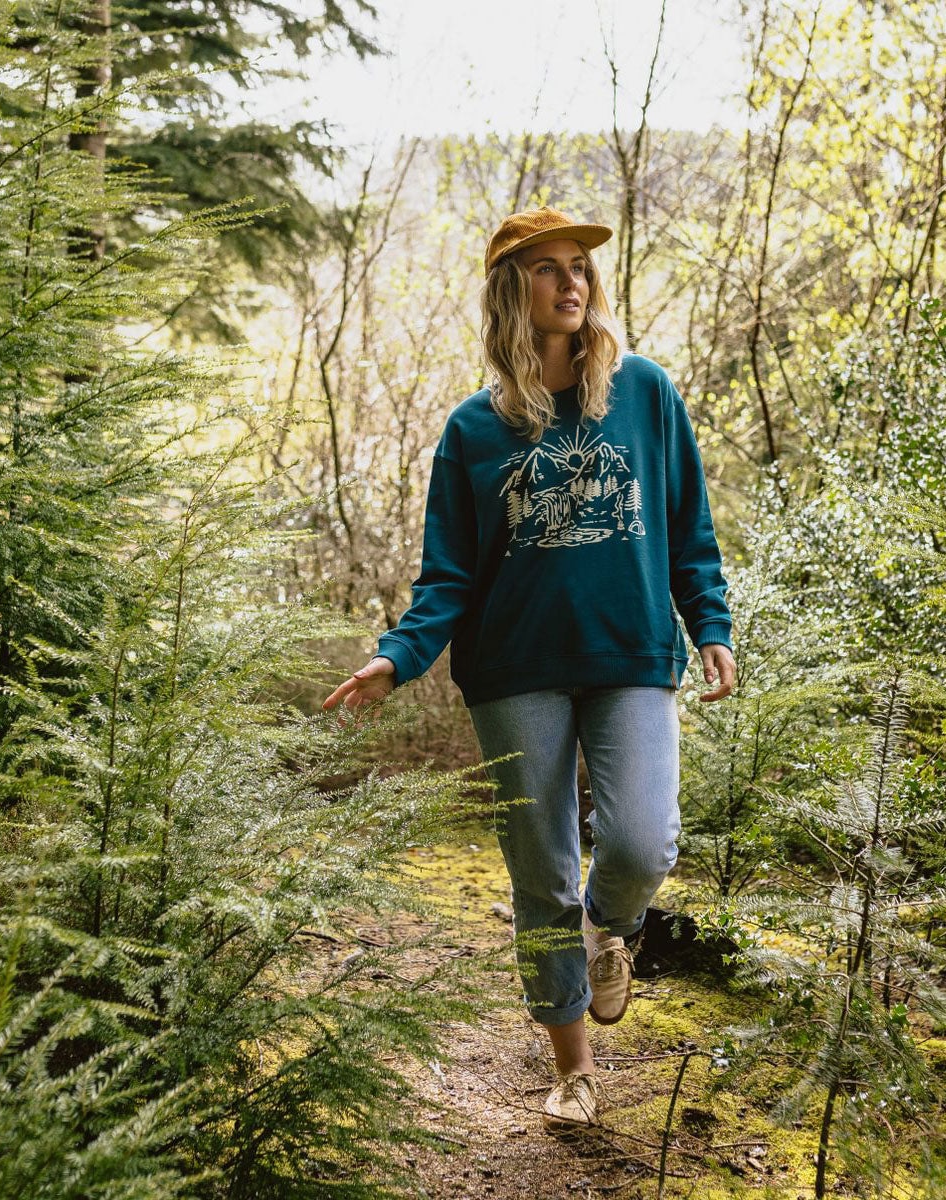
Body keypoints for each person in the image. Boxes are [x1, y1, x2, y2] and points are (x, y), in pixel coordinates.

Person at [321, 205, 736, 1129]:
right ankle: (574, 1068)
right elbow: (449, 576)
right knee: (540, 873)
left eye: (579, 265)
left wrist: (710, 623)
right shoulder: (474, 430)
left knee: (640, 844)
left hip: (632, 653)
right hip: (513, 671)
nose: (571, 281)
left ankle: (612, 931)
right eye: (547, 267)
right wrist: (397, 657)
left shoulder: (647, 394)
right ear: (514, 289)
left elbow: (688, 531)